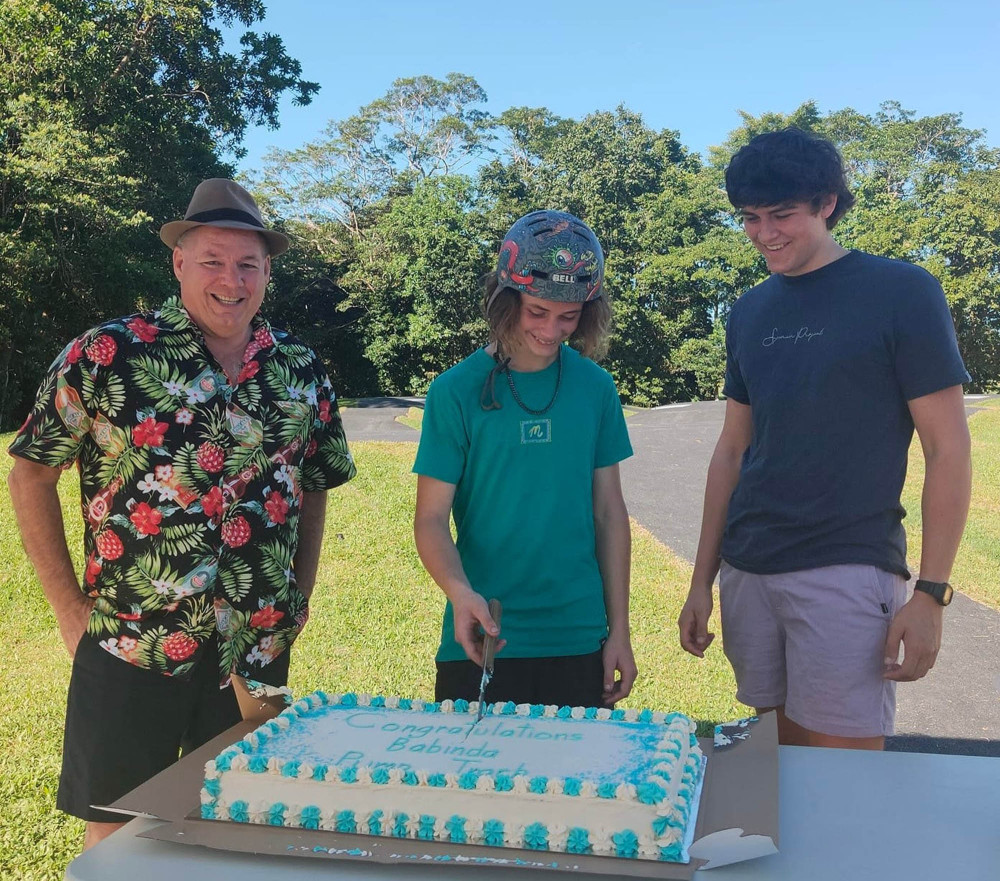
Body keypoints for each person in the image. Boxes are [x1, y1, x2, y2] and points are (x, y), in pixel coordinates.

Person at [7, 178, 356, 848]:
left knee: (233, 833)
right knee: (115, 842)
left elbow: (317, 482)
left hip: (256, 645)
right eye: (213, 261)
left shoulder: (300, 369)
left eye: (248, 263)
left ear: (268, 272)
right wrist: (66, 608)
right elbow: (31, 470)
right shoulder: (107, 354)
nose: (232, 279)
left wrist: (300, 595)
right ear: (178, 263)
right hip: (131, 644)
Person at [678, 128, 972, 749]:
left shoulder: (901, 292)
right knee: (774, 770)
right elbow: (732, 450)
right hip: (749, 570)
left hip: (847, 567)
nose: (765, 233)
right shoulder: (750, 312)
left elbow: (948, 450)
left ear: (828, 204)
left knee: (845, 783)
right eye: (750, 219)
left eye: (782, 214)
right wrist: (702, 580)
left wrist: (932, 594)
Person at [413, 210, 637, 709]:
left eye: (569, 316)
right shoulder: (455, 391)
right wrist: (459, 594)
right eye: (537, 311)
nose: (552, 330)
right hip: (482, 636)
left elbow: (609, 514)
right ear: (504, 298)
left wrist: (618, 630)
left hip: (579, 637)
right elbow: (429, 520)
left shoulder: (596, 388)